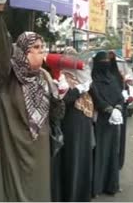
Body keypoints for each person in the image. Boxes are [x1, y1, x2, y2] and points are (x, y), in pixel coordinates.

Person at [0, 30, 66, 201]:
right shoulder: (9, 77)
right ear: (24, 51)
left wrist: (58, 96)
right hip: (15, 151)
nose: (41, 51)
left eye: (42, 47)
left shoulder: (44, 77)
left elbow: (56, 116)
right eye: (36, 47)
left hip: (40, 151)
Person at [59, 47, 94, 202]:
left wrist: (84, 86)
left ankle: (82, 194)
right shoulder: (61, 76)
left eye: (74, 57)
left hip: (84, 124)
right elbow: (62, 100)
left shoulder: (83, 77)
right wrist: (78, 90)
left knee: (83, 158)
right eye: (69, 57)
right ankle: (71, 196)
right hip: (70, 125)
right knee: (73, 160)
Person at [90, 51, 124, 197]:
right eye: (102, 61)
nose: (106, 63)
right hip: (101, 122)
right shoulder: (92, 80)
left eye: (107, 60)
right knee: (100, 153)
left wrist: (118, 108)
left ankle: (111, 185)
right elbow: (96, 99)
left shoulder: (113, 78)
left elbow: (120, 97)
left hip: (114, 122)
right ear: (97, 63)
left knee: (113, 153)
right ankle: (97, 187)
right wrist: (109, 110)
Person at [108, 51, 132, 170]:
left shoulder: (116, 75)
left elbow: (125, 91)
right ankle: (116, 162)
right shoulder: (115, 75)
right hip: (116, 110)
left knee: (117, 139)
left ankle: (116, 162)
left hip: (117, 111)